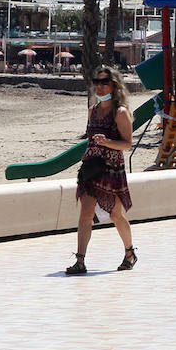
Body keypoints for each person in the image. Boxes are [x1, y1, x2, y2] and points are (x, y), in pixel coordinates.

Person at [65, 66, 136, 274]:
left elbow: (127, 144)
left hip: (111, 170)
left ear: (114, 85)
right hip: (91, 168)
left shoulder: (120, 112)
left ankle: (130, 252)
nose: (100, 86)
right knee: (85, 214)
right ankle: (80, 261)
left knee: (115, 215)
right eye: (97, 81)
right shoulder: (92, 110)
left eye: (105, 82)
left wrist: (107, 142)